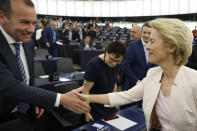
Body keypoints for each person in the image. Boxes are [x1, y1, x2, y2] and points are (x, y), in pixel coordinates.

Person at [78, 18, 197, 131]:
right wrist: (87, 97)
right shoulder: (152, 74)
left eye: (152, 41)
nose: (147, 47)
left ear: (171, 47)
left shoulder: (194, 81)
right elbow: (125, 96)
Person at [0, 0, 90, 130]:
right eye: (24, 22)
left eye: (33, 23)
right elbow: (10, 86)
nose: (31, 29)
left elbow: (28, 80)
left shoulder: (28, 43)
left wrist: (33, 100)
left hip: (28, 114)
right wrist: (62, 99)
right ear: (2, 17)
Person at [82, 41, 126, 122]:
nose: (113, 64)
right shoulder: (94, 65)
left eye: (117, 61)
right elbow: (85, 91)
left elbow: (114, 83)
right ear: (106, 52)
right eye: (111, 59)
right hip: (94, 107)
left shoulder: (117, 64)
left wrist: (114, 102)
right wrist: (87, 113)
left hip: (108, 104)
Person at [122, 23, 156, 91]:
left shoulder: (155, 46)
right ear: (141, 33)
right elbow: (126, 65)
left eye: (149, 33)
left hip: (149, 86)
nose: (146, 35)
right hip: (133, 86)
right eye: (144, 32)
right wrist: (137, 81)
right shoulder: (133, 46)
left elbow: (155, 66)